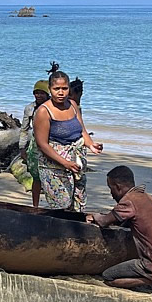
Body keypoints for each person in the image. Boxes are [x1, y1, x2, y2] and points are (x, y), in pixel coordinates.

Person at [87, 166, 152, 297]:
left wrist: (94, 216)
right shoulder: (146, 197)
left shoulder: (128, 202)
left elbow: (103, 221)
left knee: (109, 276)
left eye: (110, 188)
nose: (111, 194)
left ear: (118, 187)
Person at [32, 70, 102, 211]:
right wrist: (65, 163)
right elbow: (42, 144)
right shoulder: (44, 111)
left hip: (76, 163)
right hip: (53, 165)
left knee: (78, 203)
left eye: (64, 88)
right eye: (56, 89)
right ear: (50, 89)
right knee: (62, 205)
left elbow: (82, 131)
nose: (61, 92)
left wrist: (91, 144)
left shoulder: (73, 105)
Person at [17, 80, 49, 207]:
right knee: (36, 176)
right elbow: (24, 129)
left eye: (42, 93)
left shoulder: (52, 107)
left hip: (50, 144)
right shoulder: (29, 108)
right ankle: (35, 205)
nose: (38, 95)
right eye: (36, 93)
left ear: (47, 94)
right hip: (35, 145)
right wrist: (22, 148)